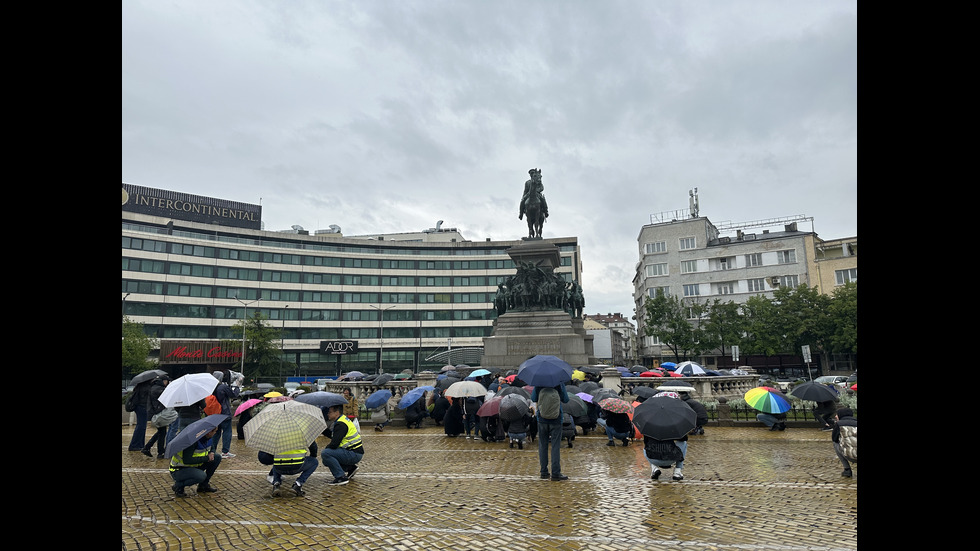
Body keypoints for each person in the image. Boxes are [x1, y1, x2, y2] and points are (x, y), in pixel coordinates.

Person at [531, 382, 570, 481]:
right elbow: (566, 399)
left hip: (542, 419)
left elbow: (533, 398)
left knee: (543, 446)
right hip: (556, 419)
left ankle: (543, 472)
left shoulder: (539, 383)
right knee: (555, 447)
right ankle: (556, 473)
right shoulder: (559, 383)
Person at [168, 425, 222, 497]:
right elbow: (187, 460)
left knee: (217, 457)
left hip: (194, 466)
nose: (215, 433)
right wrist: (207, 458)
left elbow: (211, 447)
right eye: (215, 431)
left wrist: (212, 452)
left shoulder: (207, 438)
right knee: (201, 476)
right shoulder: (192, 442)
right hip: (179, 469)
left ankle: (203, 486)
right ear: (208, 432)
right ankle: (179, 486)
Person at [320, 404, 365, 485]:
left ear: (336, 413)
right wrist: (322, 429)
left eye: (330, 412)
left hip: (353, 453)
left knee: (326, 454)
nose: (327, 414)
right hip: (355, 452)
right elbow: (334, 436)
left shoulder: (340, 424)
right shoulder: (342, 420)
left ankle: (340, 477)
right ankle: (350, 468)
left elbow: (334, 444)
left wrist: (326, 450)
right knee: (326, 458)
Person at [209, 371, 240, 458]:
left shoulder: (211, 387)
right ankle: (225, 451)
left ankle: (213, 450)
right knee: (227, 431)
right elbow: (234, 394)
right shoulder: (222, 387)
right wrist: (236, 386)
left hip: (215, 413)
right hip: (224, 413)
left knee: (216, 432)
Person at [142, 375, 172, 458]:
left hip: (156, 413)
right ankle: (160, 452)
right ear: (163, 381)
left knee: (161, 432)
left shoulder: (155, 387)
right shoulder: (158, 389)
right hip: (157, 414)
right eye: (166, 381)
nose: (167, 383)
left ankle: (147, 447)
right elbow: (166, 396)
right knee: (162, 433)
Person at [127, 379, 154, 451]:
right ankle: (135, 445)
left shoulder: (139, 387)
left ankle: (139, 444)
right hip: (142, 407)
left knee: (141, 426)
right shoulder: (147, 388)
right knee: (141, 427)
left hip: (139, 408)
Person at [831, 408, 857, 477]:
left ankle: (847, 469)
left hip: (849, 455)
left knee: (835, 443)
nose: (836, 416)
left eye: (837, 414)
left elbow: (834, 438)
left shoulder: (839, 424)